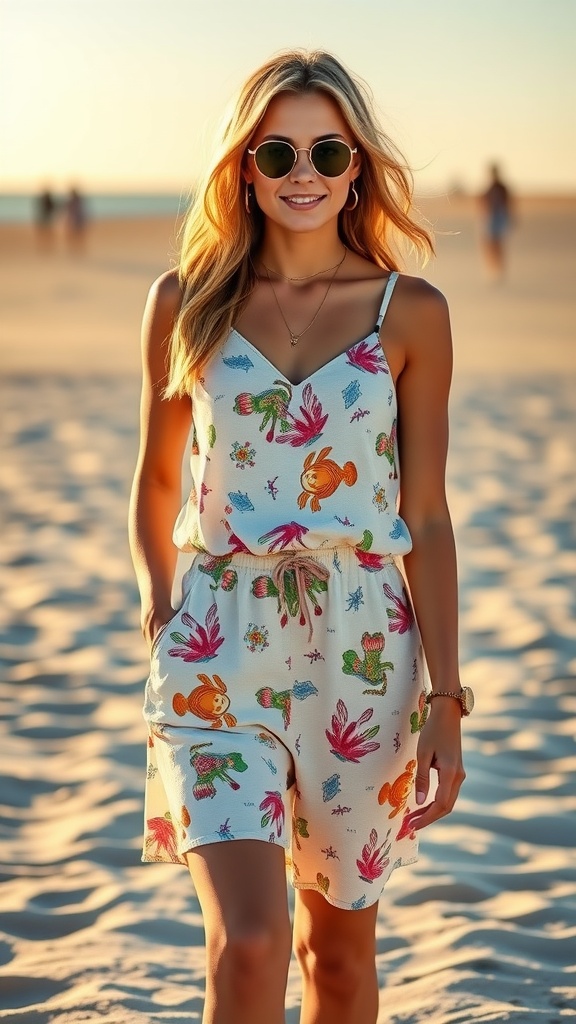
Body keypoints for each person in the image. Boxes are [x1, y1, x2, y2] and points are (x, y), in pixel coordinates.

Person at [129, 49, 470, 1024]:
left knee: (338, 960)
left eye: (327, 149)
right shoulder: (183, 303)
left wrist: (447, 696)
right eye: (277, 153)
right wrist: (160, 601)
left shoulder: (414, 315)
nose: (304, 172)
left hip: (360, 655)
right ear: (244, 166)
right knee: (249, 944)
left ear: (357, 163)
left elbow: (430, 517)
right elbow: (156, 481)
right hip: (215, 643)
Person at [479, 162, 513, 280]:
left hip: (498, 217)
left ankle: (499, 270)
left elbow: (507, 203)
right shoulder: (490, 187)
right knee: (490, 244)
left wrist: (509, 217)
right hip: (491, 218)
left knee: (497, 244)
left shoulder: (501, 187)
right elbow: (483, 203)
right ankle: (492, 269)